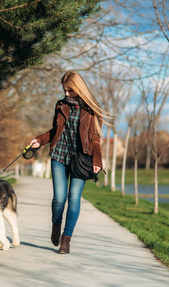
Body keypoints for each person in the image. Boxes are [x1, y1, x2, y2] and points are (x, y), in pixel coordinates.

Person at [30, 71, 110, 254]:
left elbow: (95, 139)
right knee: (59, 198)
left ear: (79, 88)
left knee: (74, 198)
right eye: (64, 90)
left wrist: (97, 161)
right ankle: (56, 224)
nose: (66, 94)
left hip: (80, 160)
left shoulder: (92, 109)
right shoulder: (60, 105)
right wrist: (40, 140)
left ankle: (66, 239)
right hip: (59, 156)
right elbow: (54, 131)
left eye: (70, 90)